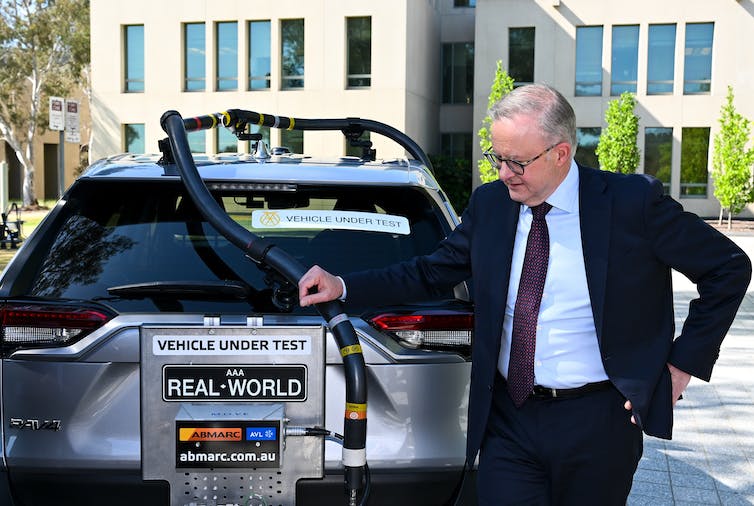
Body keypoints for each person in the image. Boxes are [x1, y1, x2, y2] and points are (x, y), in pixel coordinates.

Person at [298, 83, 751, 505]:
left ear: (560, 154)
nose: (503, 172)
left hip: (599, 421)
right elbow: (430, 271)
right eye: (497, 157)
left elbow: (729, 269)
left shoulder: (632, 204)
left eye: (517, 162)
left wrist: (679, 367)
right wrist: (345, 284)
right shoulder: (492, 205)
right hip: (509, 420)